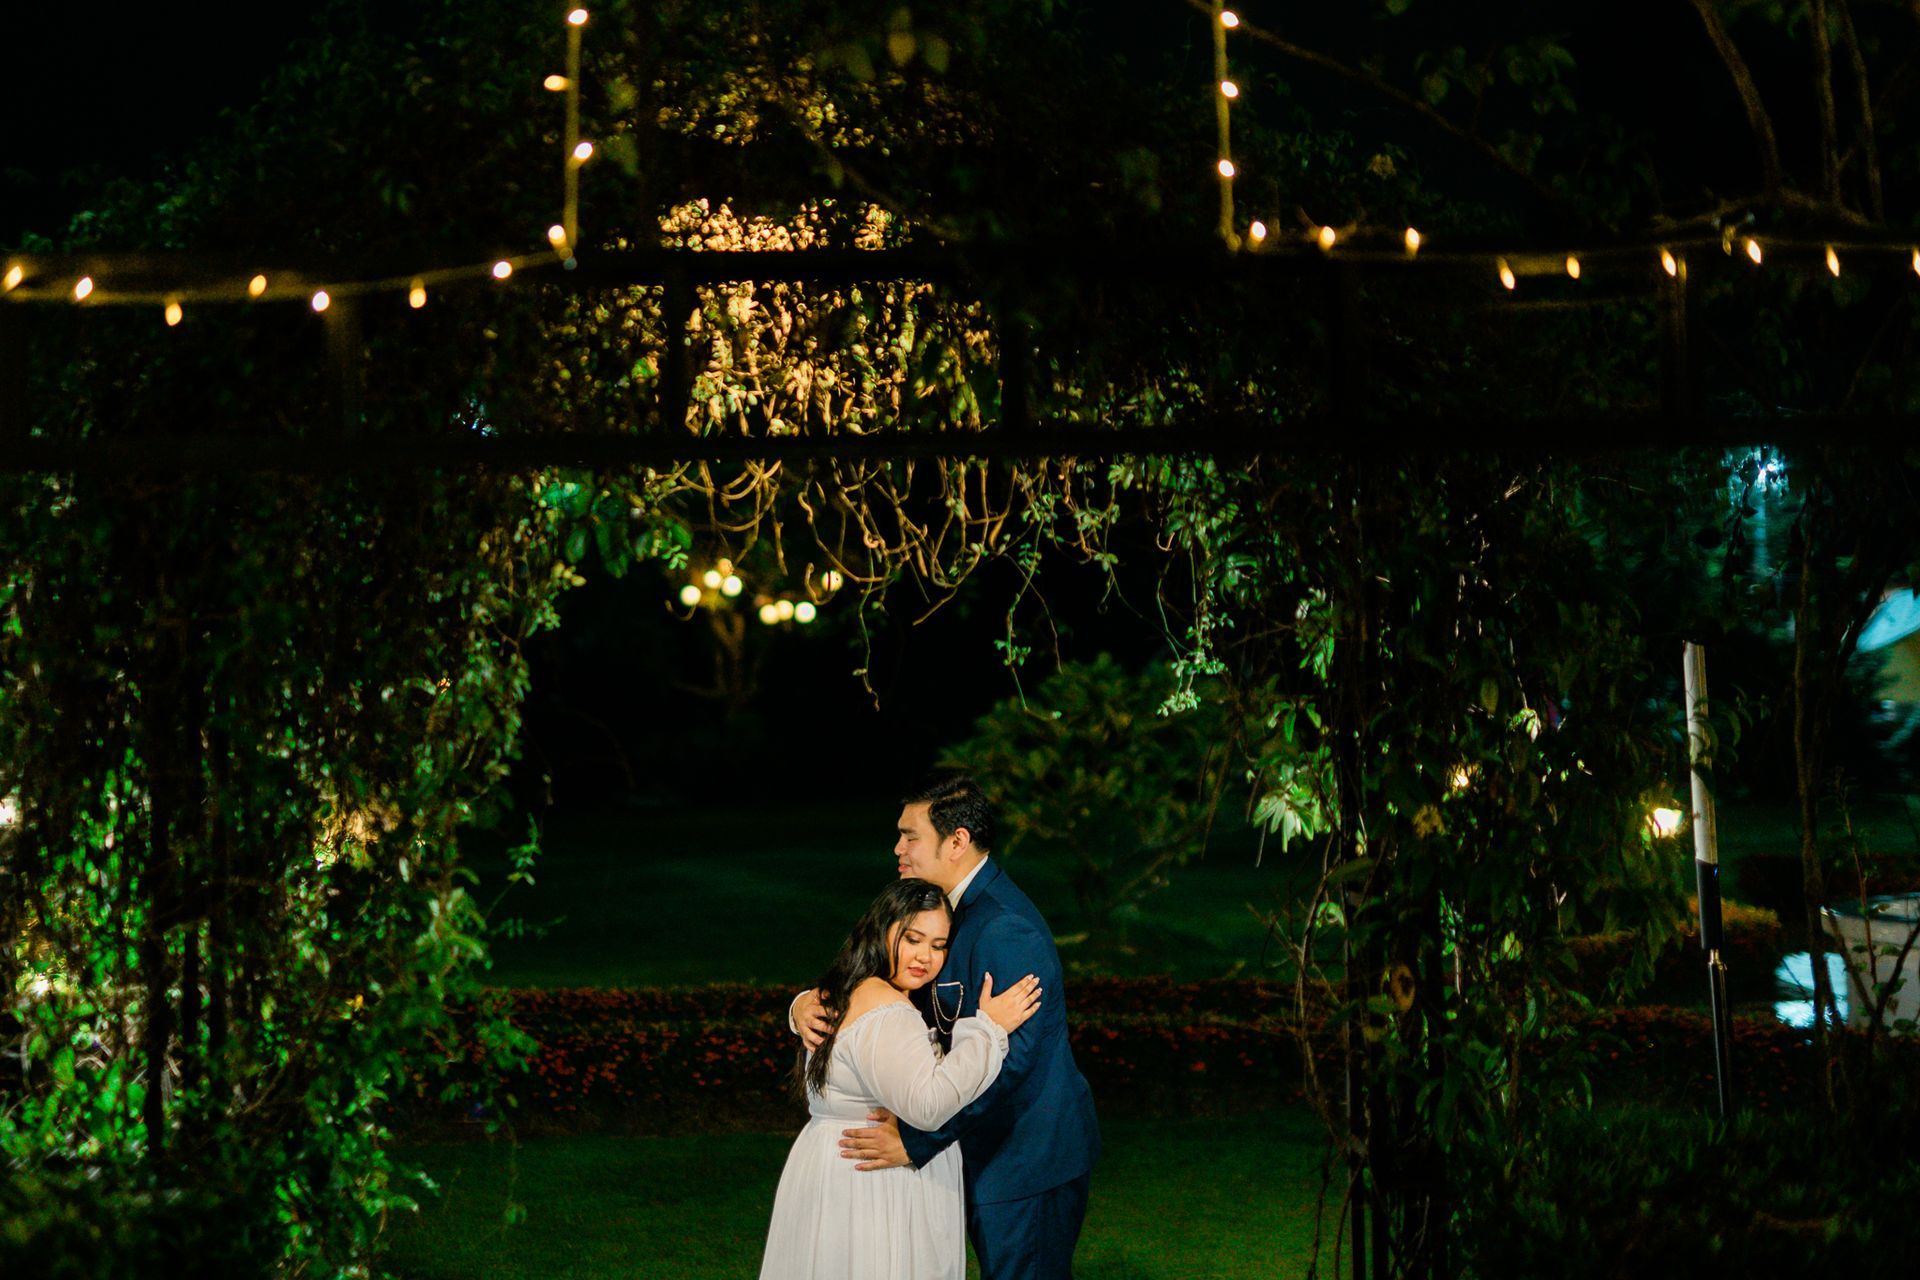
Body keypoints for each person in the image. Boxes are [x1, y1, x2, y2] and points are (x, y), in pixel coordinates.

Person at [789, 775, 1101, 1279]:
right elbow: (884, 976)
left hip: (1024, 1157)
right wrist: (804, 1003)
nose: (898, 848)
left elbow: (1013, 1062)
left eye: (910, 836)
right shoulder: (944, 909)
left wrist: (917, 1141)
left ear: (956, 841)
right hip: (984, 1152)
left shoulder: (1004, 926)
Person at [760, 877, 1044, 1280]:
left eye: (939, 945)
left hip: (835, 1170)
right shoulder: (887, 1011)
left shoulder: (844, 991)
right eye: (913, 939)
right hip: (873, 1181)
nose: (925, 957)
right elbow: (928, 1106)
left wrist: (798, 1006)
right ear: (881, 930)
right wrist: (988, 1030)